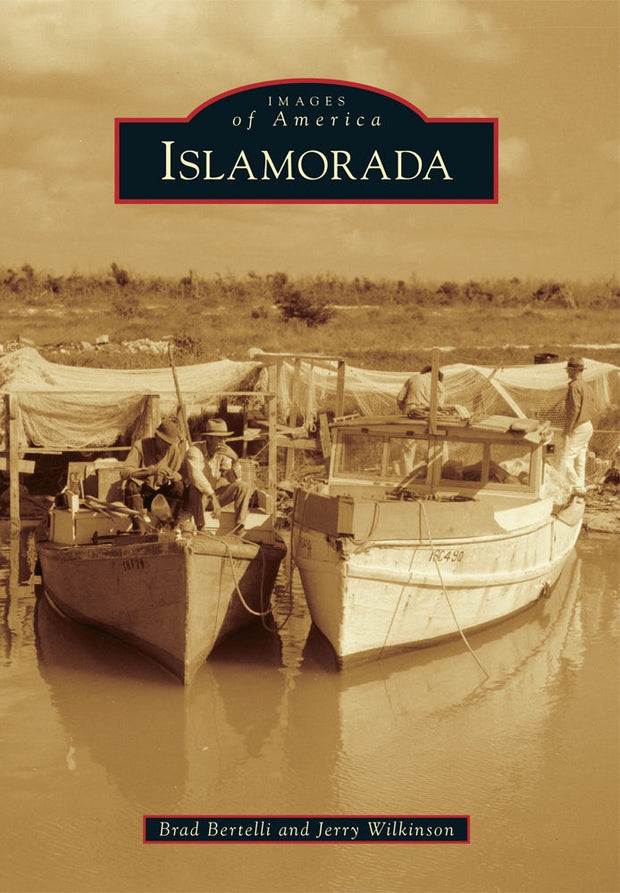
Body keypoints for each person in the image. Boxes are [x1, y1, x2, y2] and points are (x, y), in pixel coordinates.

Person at [183, 418, 251, 530]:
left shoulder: (221, 453)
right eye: (219, 438)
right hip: (193, 500)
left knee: (243, 486)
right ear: (208, 438)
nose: (223, 441)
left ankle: (239, 528)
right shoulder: (194, 450)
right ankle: (200, 527)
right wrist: (213, 498)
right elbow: (197, 478)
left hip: (210, 498)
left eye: (224, 438)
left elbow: (233, 479)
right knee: (196, 489)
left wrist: (235, 460)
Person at [121, 418, 185, 518]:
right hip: (143, 495)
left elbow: (179, 474)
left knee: (179, 486)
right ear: (156, 436)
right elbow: (124, 472)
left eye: (169, 443)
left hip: (162, 498)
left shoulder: (173, 449)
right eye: (164, 442)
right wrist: (150, 471)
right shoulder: (140, 446)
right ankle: (139, 523)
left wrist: (174, 476)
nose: (167, 446)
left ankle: (168, 522)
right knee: (132, 486)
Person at [560, 357, 594, 494]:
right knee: (580, 460)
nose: (567, 372)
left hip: (579, 426)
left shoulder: (574, 386)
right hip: (588, 425)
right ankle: (581, 487)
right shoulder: (586, 385)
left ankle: (578, 488)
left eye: (569, 370)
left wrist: (567, 429)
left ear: (574, 370)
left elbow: (574, 409)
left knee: (566, 460)